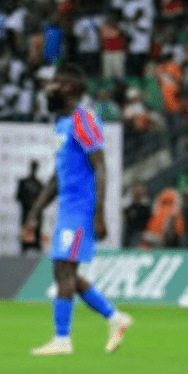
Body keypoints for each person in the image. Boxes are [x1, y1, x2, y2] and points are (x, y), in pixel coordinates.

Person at [21, 65, 133, 355]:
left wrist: (100, 214)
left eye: (56, 84)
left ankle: (63, 339)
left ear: (71, 89)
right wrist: (34, 213)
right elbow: (58, 177)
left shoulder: (83, 120)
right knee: (64, 271)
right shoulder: (62, 125)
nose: (49, 89)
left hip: (82, 209)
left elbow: (100, 167)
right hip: (67, 209)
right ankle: (114, 318)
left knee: (64, 269)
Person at [16, 160, 44, 253]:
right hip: (26, 214)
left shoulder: (39, 184)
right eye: (33, 167)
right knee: (25, 239)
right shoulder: (23, 182)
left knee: (36, 238)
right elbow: (18, 197)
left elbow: (43, 200)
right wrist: (29, 203)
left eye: (35, 167)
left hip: (37, 216)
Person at [122, 181, 150, 248]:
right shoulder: (128, 208)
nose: (138, 192)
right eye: (136, 190)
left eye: (140, 190)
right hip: (129, 236)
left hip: (143, 236)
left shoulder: (147, 208)